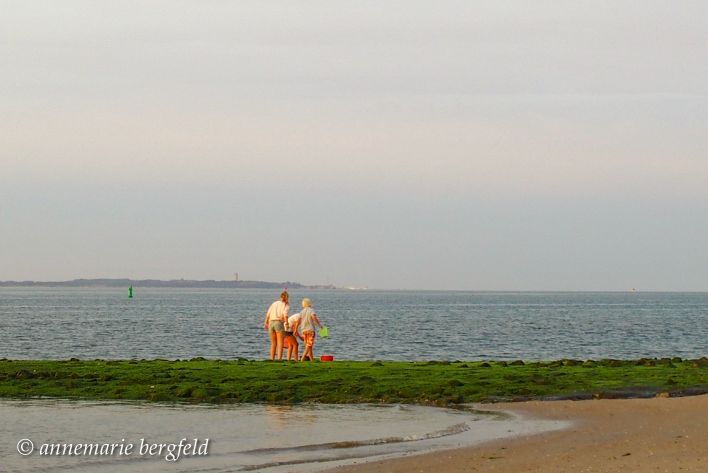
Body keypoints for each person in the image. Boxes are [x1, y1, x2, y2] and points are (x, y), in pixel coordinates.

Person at [263, 291, 289, 360]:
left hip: (271, 322)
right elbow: (285, 315)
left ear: (280, 296)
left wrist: (265, 322)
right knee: (280, 343)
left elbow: (268, 313)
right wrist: (286, 323)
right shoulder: (286, 305)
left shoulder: (274, 303)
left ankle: (272, 359)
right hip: (278, 322)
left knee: (273, 343)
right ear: (287, 298)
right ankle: (279, 359)